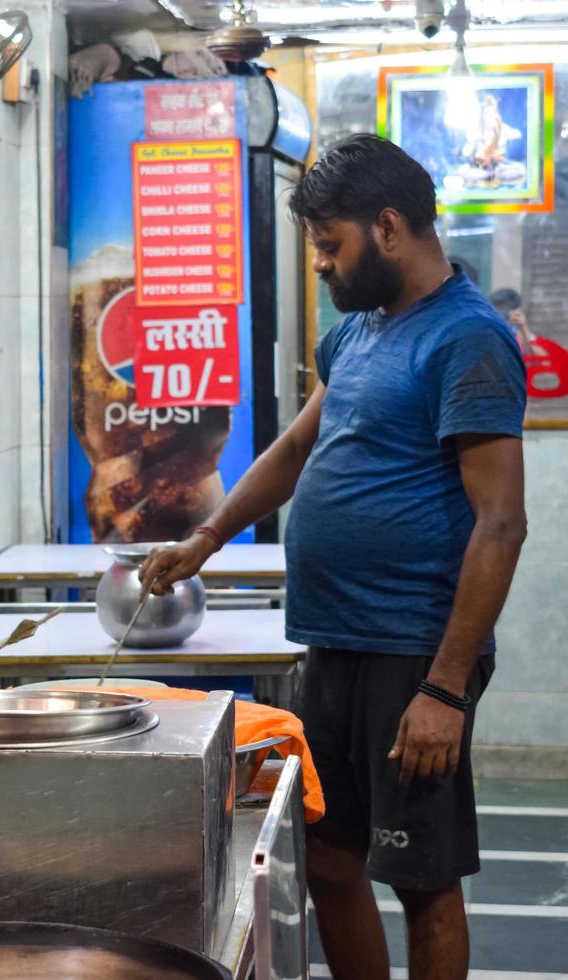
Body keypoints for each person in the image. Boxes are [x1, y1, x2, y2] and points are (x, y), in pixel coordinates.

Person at [140, 134, 527, 980]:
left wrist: (445, 689)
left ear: (389, 227)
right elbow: (293, 450)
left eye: (329, 245)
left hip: (411, 651)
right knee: (328, 862)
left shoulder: (468, 340)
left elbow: (501, 523)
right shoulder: (358, 333)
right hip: (336, 640)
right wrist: (206, 537)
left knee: (420, 881)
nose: (320, 264)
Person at [489, 287, 538, 354]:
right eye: (496, 309)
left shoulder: (521, 333)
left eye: (504, 309)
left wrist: (524, 327)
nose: (500, 314)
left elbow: (539, 358)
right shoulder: (489, 329)